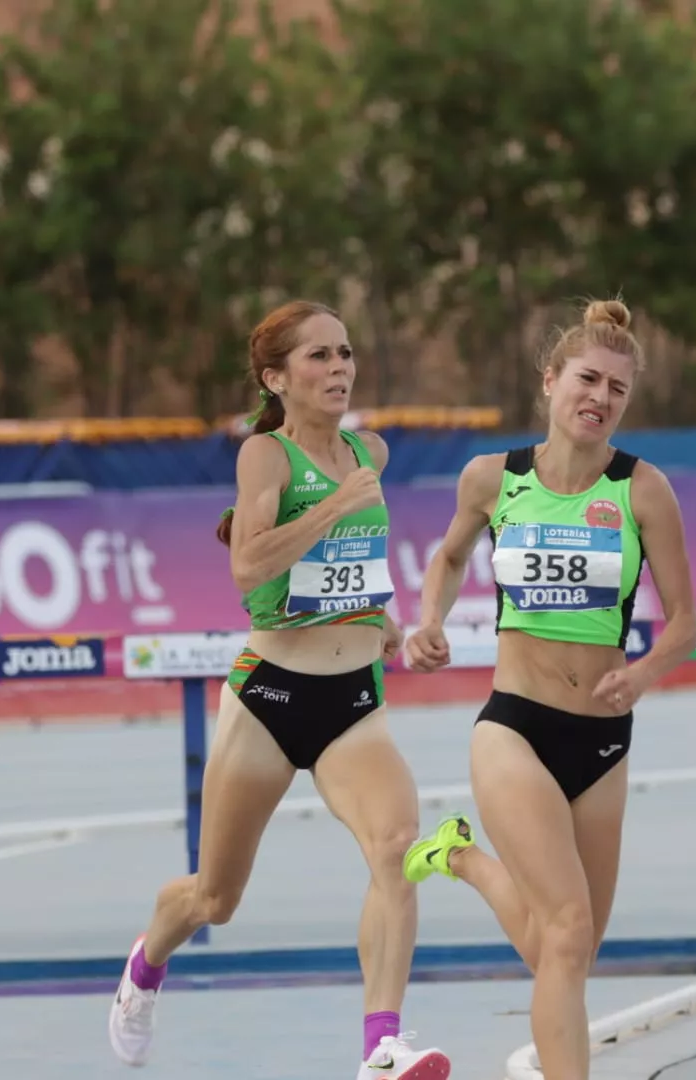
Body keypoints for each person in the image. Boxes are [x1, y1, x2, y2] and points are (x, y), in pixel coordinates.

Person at [108, 300, 450, 1080]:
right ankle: (145, 968)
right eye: (318, 358)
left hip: (353, 702)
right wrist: (334, 504)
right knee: (215, 898)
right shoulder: (266, 456)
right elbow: (249, 567)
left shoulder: (373, 450)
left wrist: (388, 619)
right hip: (271, 700)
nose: (339, 370)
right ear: (276, 377)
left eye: (345, 353)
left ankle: (382, 1047)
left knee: (398, 852)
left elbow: (358, 561)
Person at [397, 299, 696, 1080]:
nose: (600, 398)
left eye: (618, 390)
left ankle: (461, 858)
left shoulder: (643, 490)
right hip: (515, 728)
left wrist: (641, 674)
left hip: (600, 741)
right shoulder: (492, 478)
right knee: (565, 931)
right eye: (588, 380)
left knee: (566, 946)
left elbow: (685, 624)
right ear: (551, 382)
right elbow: (450, 556)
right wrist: (427, 619)